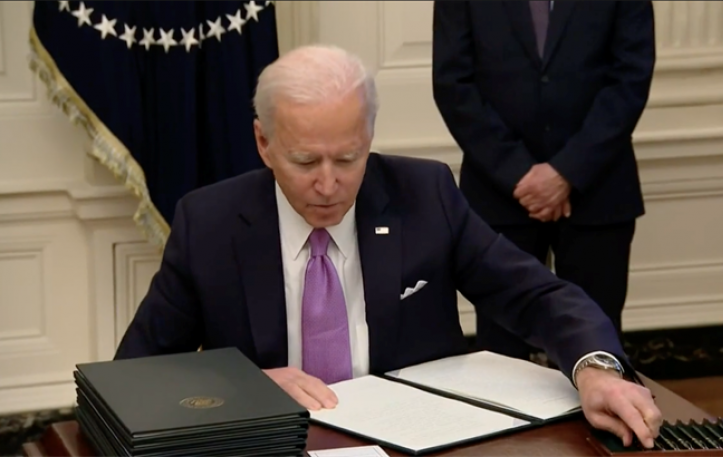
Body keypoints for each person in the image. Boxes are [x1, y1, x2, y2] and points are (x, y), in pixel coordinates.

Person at [115, 44, 662, 448]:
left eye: (347, 158)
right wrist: (242, 388)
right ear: (264, 142)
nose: (328, 184)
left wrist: (596, 368)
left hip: (415, 444)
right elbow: (130, 376)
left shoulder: (425, 195)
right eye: (305, 161)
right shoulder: (209, 223)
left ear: (369, 138)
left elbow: (537, 296)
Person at [431, 1, 655, 361]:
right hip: (499, 194)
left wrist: (567, 171)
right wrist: (518, 173)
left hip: (597, 191)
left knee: (596, 343)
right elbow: (452, 84)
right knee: (501, 355)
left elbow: (631, 78)